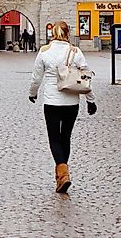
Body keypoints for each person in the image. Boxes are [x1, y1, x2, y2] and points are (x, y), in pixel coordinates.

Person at [28, 21, 96, 193]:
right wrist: (90, 100)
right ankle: (61, 175)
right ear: (68, 33)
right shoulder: (76, 52)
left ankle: (63, 172)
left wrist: (32, 93)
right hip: (71, 102)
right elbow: (85, 76)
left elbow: (36, 77)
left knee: (54, 138)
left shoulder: (44, 52)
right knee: (65, 137)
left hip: (52, 101)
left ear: (53, 34)